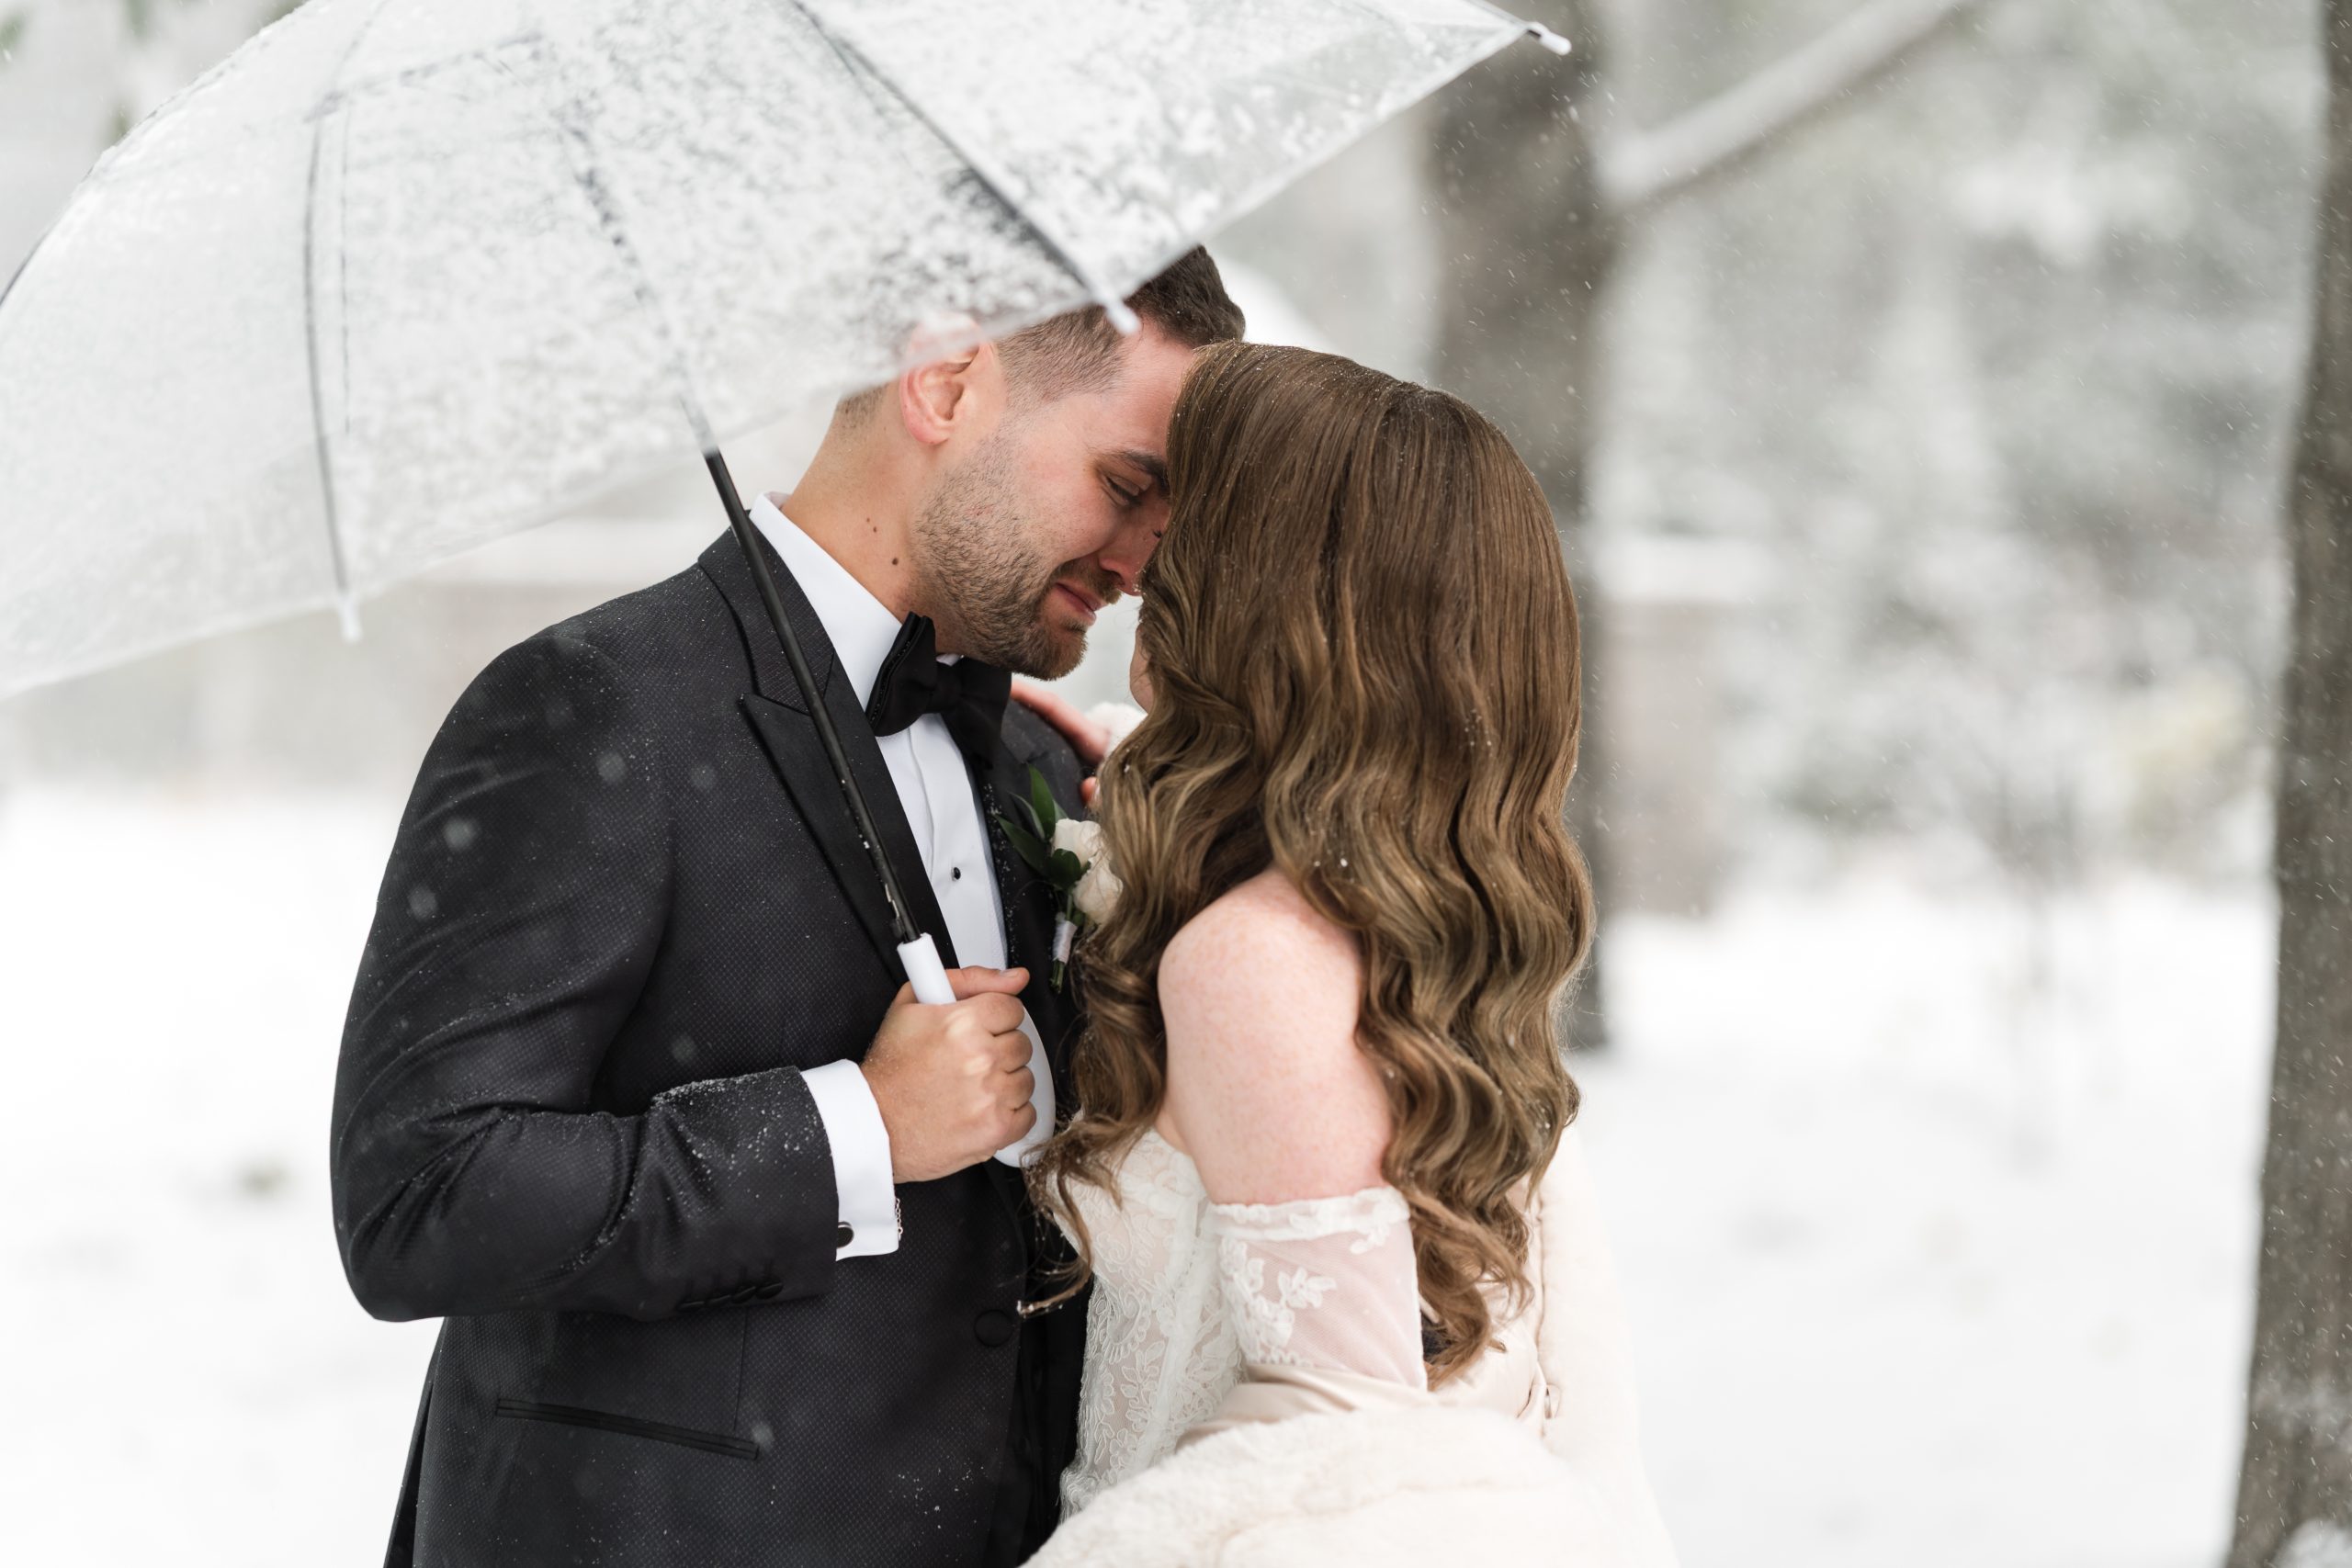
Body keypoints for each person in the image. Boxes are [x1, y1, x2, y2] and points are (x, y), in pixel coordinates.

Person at [328, 251, 1244, 1567]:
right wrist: (855, 1128)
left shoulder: (1042, 772)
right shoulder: (593, 709)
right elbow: (418, 1197)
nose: (1150, 559)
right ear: (943, 381)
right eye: (1129, 485)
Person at [1012, 343, 1679, 1563]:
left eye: (1181, 520)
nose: (1143, 558)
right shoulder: (1417, 929)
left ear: (1254, 594)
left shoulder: (1252, 962)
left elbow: (1342, 1437)